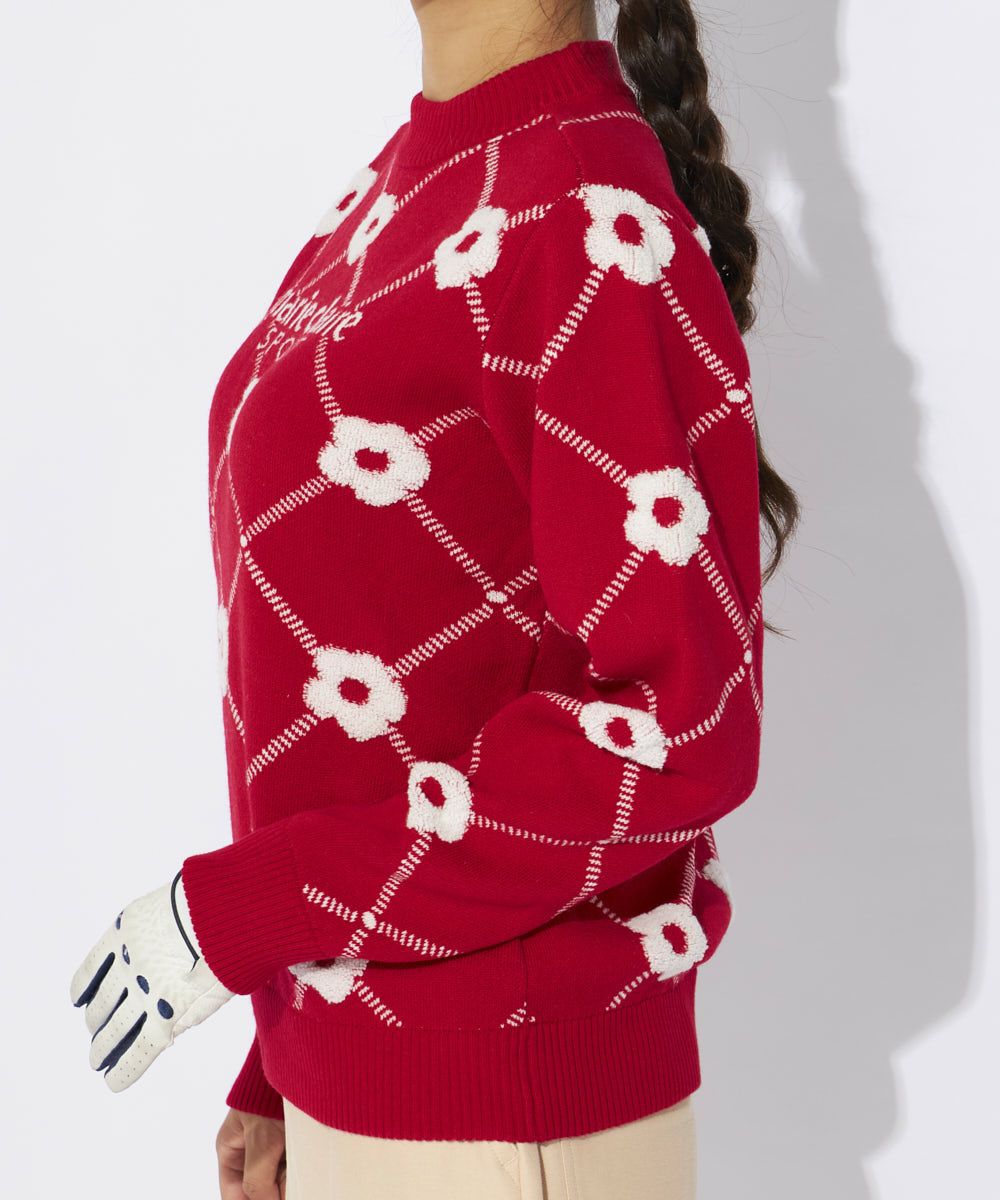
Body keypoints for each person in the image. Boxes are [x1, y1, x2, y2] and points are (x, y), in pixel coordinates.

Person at [69, 1, 800, 1197]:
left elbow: (682, 730)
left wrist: (248, 913)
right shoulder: (424, 171)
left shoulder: (576, 205)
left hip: (508, 1102)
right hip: (382, 1081)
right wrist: (288, 1040)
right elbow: (391, 642)